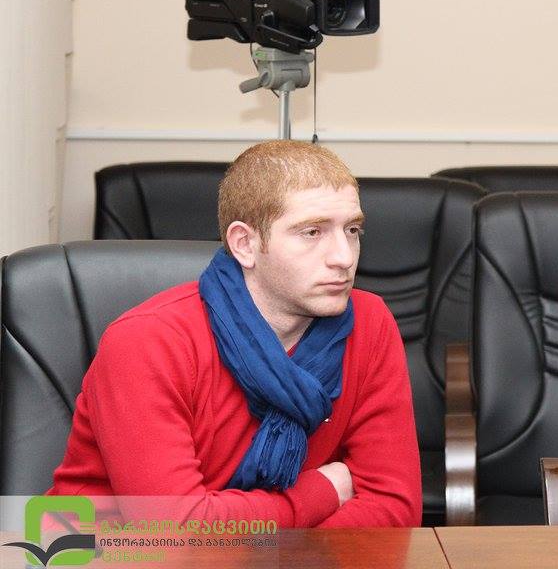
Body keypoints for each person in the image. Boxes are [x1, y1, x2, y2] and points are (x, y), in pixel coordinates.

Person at [48, 140, 421, 527]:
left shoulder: (370, 323)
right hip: (94, 546)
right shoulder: (145, 343)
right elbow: (175, 531)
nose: (344, 257)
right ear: (245, 244)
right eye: (312, 232)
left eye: (352, 230)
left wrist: (285, 549)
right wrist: (323, 491)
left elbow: (393, 507)